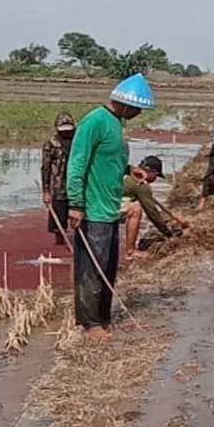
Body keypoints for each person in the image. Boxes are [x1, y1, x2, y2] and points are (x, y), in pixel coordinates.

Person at [67, 73, 155, 340]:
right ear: (127, 104)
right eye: (138, 108)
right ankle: (90, 323)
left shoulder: (117, 125)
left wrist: (132, 170)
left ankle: (103, 317)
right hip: (92, 209)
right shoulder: (95, 121)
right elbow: (78, 164)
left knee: (108, 266)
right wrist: (75, 204)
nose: (140, 113)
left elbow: (109, 161)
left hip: (110, 207)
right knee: (92, 267)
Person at [121, 155, 178, 260]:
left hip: (102, 202)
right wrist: (168, 234)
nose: (155, 180)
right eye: (155, 176)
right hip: (108, 208)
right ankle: (130, 251)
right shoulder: (142, 185)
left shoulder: (129, 174)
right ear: (151, 172)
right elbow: (152, 213)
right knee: (136, 210)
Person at [41, 111, 76, 246]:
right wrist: (46, 191)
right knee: (58, 220)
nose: (66, 134)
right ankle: (60, 241)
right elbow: (46, 168)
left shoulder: (78, 142)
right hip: (58, 185)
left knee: (79, 214)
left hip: (77, 185)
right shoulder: (51, 144)